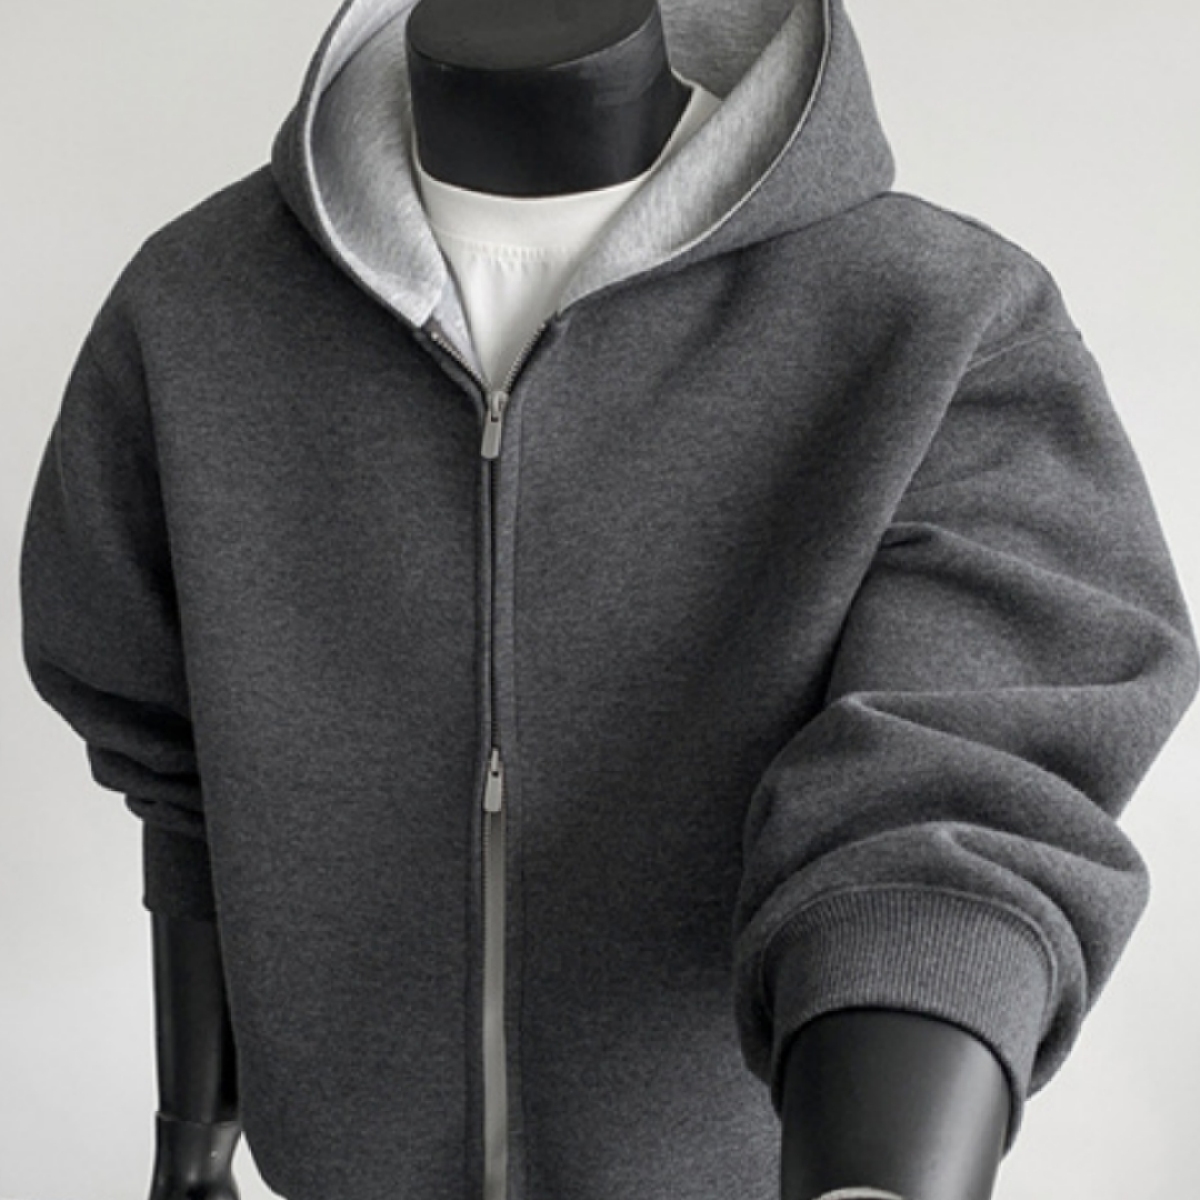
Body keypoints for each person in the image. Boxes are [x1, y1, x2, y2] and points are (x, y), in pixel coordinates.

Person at [19, 1, 1199, 1199]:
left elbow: (963, 787)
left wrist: (877, 1173)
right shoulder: (195, 310)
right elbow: (177, 761)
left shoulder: (932, 322)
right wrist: (193, 1138)